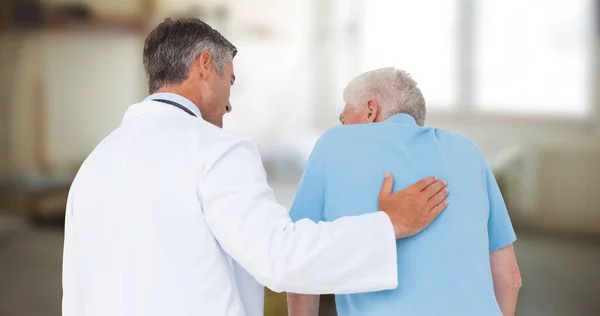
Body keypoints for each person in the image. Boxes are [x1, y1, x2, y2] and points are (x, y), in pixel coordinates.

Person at [61, 19, 450, 316]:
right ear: (204, 66)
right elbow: (280, 258)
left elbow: (76, 291)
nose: (229, 105)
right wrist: (389, 225)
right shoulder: (216, 150)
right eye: (230, 81)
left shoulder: (96, 163)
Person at [288, 68, 522, 316]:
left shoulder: (335, 143)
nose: (343, 126)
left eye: (344, 118)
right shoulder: (467, 150)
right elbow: (511, 277)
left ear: (370, 109)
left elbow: (299, 267)